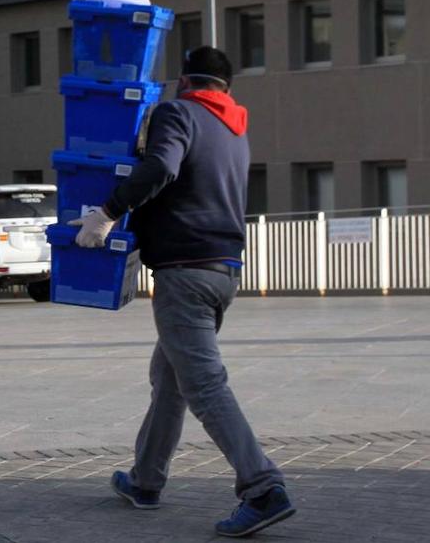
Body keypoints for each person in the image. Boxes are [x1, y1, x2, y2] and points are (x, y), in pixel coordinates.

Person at [70, 47, 294, 538]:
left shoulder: (178, 113)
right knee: (169, 375)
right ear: (226, 87)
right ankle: (146, 481)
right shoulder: (236, 128)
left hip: (184, 270)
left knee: (204, 384)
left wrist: (108, 211)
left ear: (184, 83)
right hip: (223, 270)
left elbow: (162, 167)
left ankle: (263, 488)